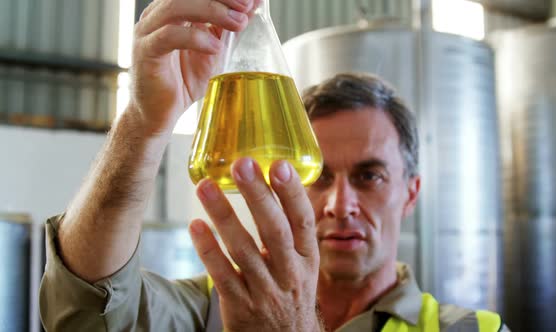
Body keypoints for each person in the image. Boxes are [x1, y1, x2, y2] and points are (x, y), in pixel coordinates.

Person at [39, 0, 508, 331]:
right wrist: (144, 122)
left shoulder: (472, 329)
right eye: (319, 174)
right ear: (288, 180)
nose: (340, 205)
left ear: (411, 192)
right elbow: (82, 310)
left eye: (369, 176)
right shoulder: (214, 307)